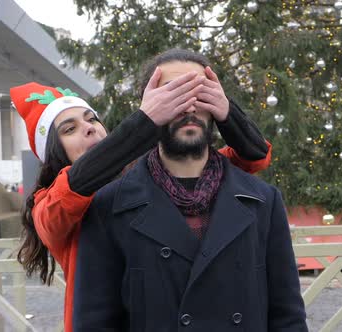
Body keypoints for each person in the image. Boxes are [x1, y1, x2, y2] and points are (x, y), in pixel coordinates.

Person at [12, 76, 272, 331]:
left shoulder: (148, 175)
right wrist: (145, 121)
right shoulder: (50, 205)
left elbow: (251, 157)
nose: (89, 127)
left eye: (92, 119)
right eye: (69, 129)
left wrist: (226, 111)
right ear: (53, 152)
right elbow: (74, 186)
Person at [73, 49, 307, 331]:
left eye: (199, 93)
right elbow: (95, 323)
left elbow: (288, 317)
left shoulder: (263, 201)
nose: (189, 107)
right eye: (172, 95)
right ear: (150, 109)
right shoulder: (107, 207)